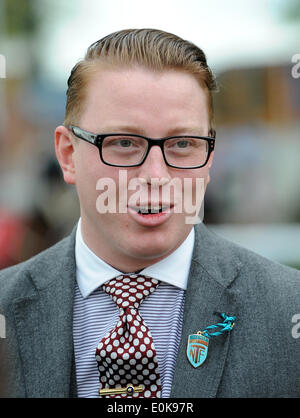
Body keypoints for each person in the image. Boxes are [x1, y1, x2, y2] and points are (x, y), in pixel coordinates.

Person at [0, 28, 300, 398]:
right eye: (124, 143)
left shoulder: (289, 309)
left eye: (183, 144)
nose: (156, 176)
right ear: (67, 154)